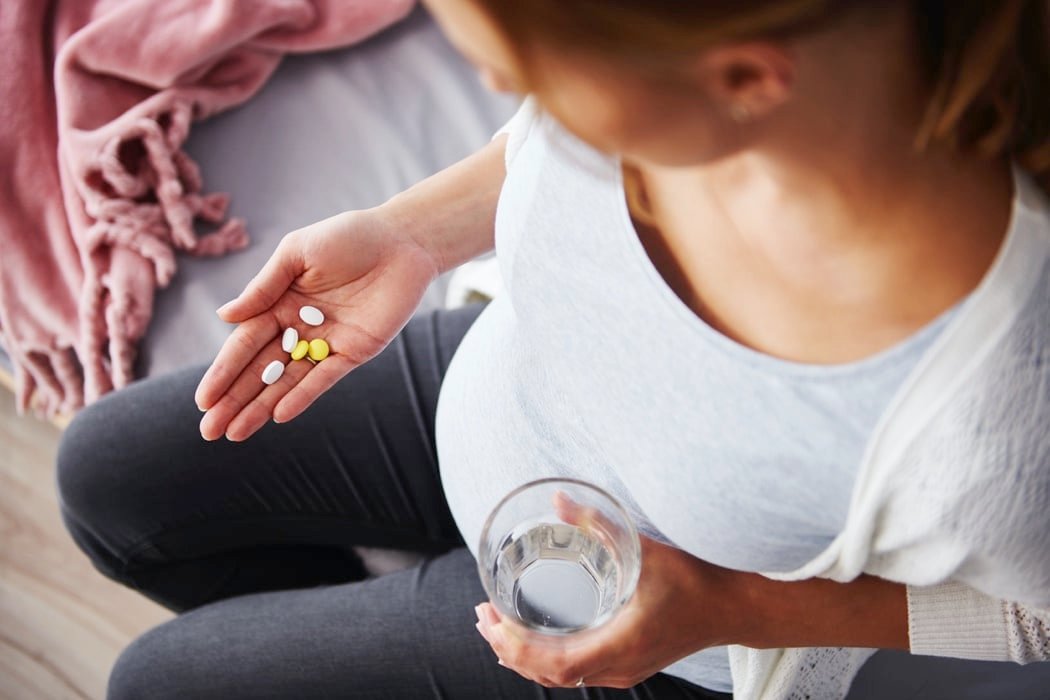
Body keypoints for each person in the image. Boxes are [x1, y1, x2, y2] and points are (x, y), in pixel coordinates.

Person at [56, 0, 1050, 698]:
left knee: (159, 680)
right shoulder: (703, 61)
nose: (496, 87)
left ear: (744, 80)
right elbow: (534, 143)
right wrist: (413, 233)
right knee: (104, 475)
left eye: (518, 72)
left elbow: (1036, 621)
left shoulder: (994, 413)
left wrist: (727, 605)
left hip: (647, 633)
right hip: (497, 386)